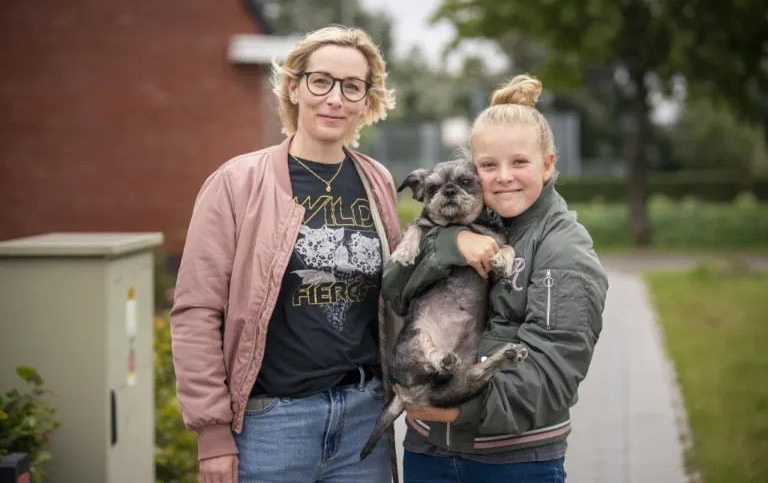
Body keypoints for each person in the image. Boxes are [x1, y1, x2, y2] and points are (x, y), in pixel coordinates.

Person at [169, 25, 405, 483]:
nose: (335, 98)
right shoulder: (237, 183)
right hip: (271, 424)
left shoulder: (378, 180)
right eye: (322, 81)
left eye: (352, 86)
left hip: (363, 419)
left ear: (366, 100)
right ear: (294, 87)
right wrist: (212, 433)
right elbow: (197, 310)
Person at [381, 74, 609, 482]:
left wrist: (456, 412)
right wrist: (451, 245)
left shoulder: (564, 248)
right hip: (426, 449)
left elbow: (554, 370)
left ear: (548, 163)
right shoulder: (458, 227)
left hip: (513, 461)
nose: (503, 176)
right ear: (474, 168)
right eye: (488, 165)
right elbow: (395, 294)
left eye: (519, 162)